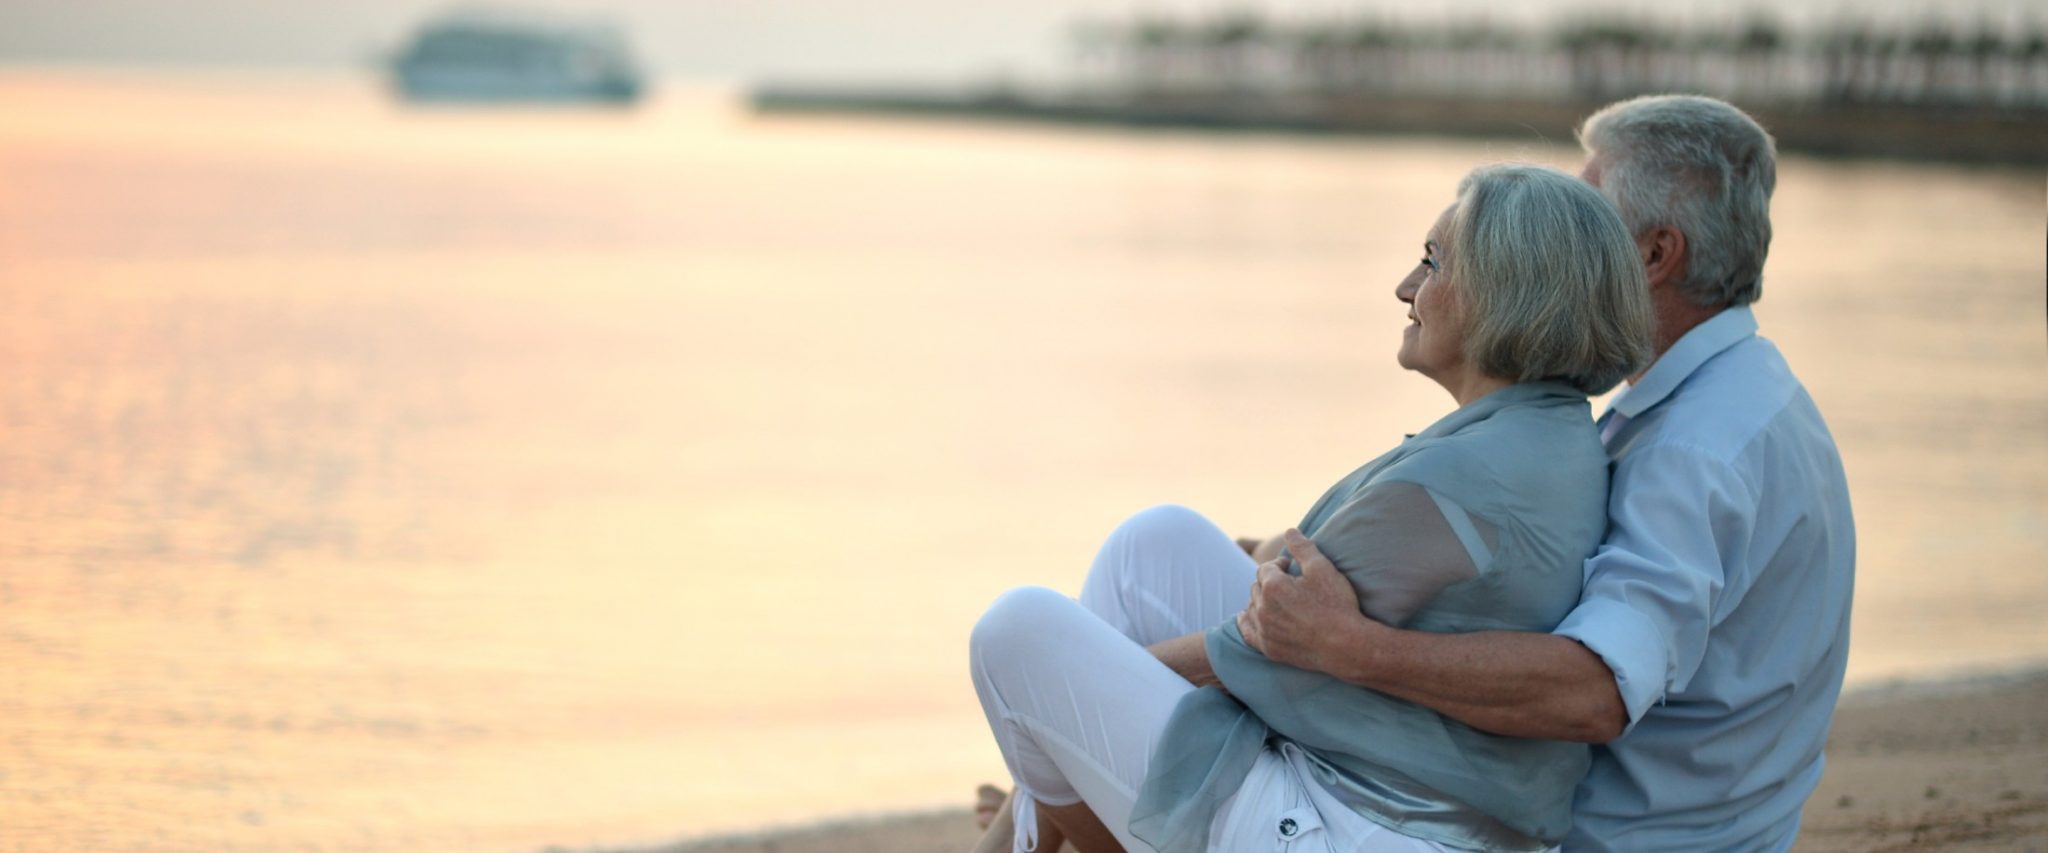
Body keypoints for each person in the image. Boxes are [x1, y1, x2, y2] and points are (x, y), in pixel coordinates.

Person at [969, 163, 1655, 853]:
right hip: (1418, 796)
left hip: (1366, 825)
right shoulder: (1546, 432)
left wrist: (1059, 715)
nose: (1406, 287)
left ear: (1502, 291)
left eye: (1432, 261)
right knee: (1153, 546)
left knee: (1016, 635)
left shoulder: (1464, 476)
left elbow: (1249, 651)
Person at [1239, 95, 1856, 851]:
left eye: (1585, 209)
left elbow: (1594, 691)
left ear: (1657, 255)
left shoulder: (1693, 451)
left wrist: (1350, 645)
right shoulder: (1750, 394)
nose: (1553, 224)